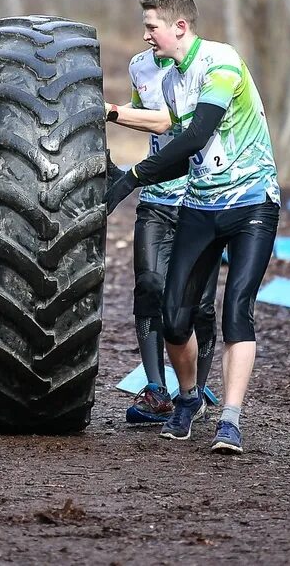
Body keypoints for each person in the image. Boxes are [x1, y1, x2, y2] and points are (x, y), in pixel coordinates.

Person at [105, 0, 281, 455]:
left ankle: (230, 418)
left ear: (180, 27)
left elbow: (198, 134)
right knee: (174, 317)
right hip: (201, 204)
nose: (145, 36)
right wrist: (130, 182)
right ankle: (187, 398)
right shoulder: (168, 76)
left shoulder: (220, 63)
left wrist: (131, 177)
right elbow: (187, 156)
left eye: (152, 27)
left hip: (252, 204)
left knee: (235, 308)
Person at [105, 47, 220, 425]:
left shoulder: (207, 67)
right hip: (155, 199)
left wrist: (111, 111)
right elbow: (143, 113)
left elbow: (165, 122)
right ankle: (156, 390)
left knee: (200, 305)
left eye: (152, 26)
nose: (146, 35)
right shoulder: (139, 64)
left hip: (200, 199)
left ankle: (195, 391)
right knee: (149, 286)